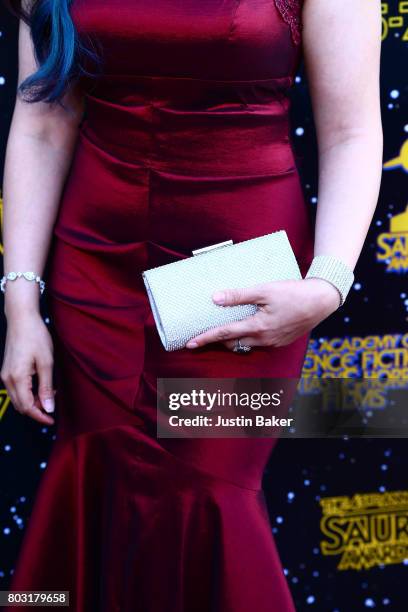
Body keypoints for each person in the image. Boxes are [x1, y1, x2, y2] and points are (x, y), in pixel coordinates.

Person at [0, 0, 382, 610]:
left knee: (213, 490)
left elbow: (352, 133)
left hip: (240, 287)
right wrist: (21, 304)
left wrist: (327, 284)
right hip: (96, 273)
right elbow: (43, 119)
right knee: (95, 476)